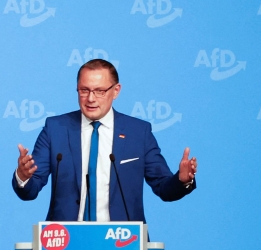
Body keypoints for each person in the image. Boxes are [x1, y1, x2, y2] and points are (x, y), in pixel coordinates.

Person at [12, 59, 197, 225]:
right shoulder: (55, 129)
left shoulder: (138, 132)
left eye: (100, 91)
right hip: (66, 245)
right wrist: (23, 176)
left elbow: (163, 188)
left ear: (116, 91)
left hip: (123, 245)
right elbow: (31, 190)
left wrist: (182, 181)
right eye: (84, 90)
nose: (91, 99)